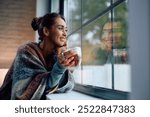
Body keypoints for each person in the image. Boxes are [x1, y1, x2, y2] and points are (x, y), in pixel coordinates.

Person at [0, 12, 79, 100]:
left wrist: (66, 64)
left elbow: (64, 85)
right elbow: (21, 92)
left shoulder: (58, 55)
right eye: (60, 28)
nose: (65, 33)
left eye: (66, 30)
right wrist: (60, 67)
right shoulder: (26, 52)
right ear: (46, 31)